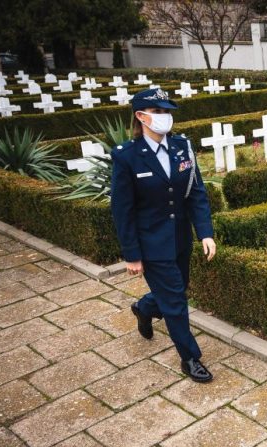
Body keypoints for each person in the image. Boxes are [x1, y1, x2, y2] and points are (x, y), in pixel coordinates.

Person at [110, 88, 216, 383]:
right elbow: (122, 210)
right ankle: (190, 358)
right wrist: (131, 254)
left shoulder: (182, 147)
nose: (165, 118)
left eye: (167, 112)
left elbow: (196, 193)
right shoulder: (127, 157)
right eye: (158, 113)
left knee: (177, 291)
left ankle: (144, 308)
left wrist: (204, 232)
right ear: (141, 117)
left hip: (180, 237)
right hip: (151, 243)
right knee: (175, 303)